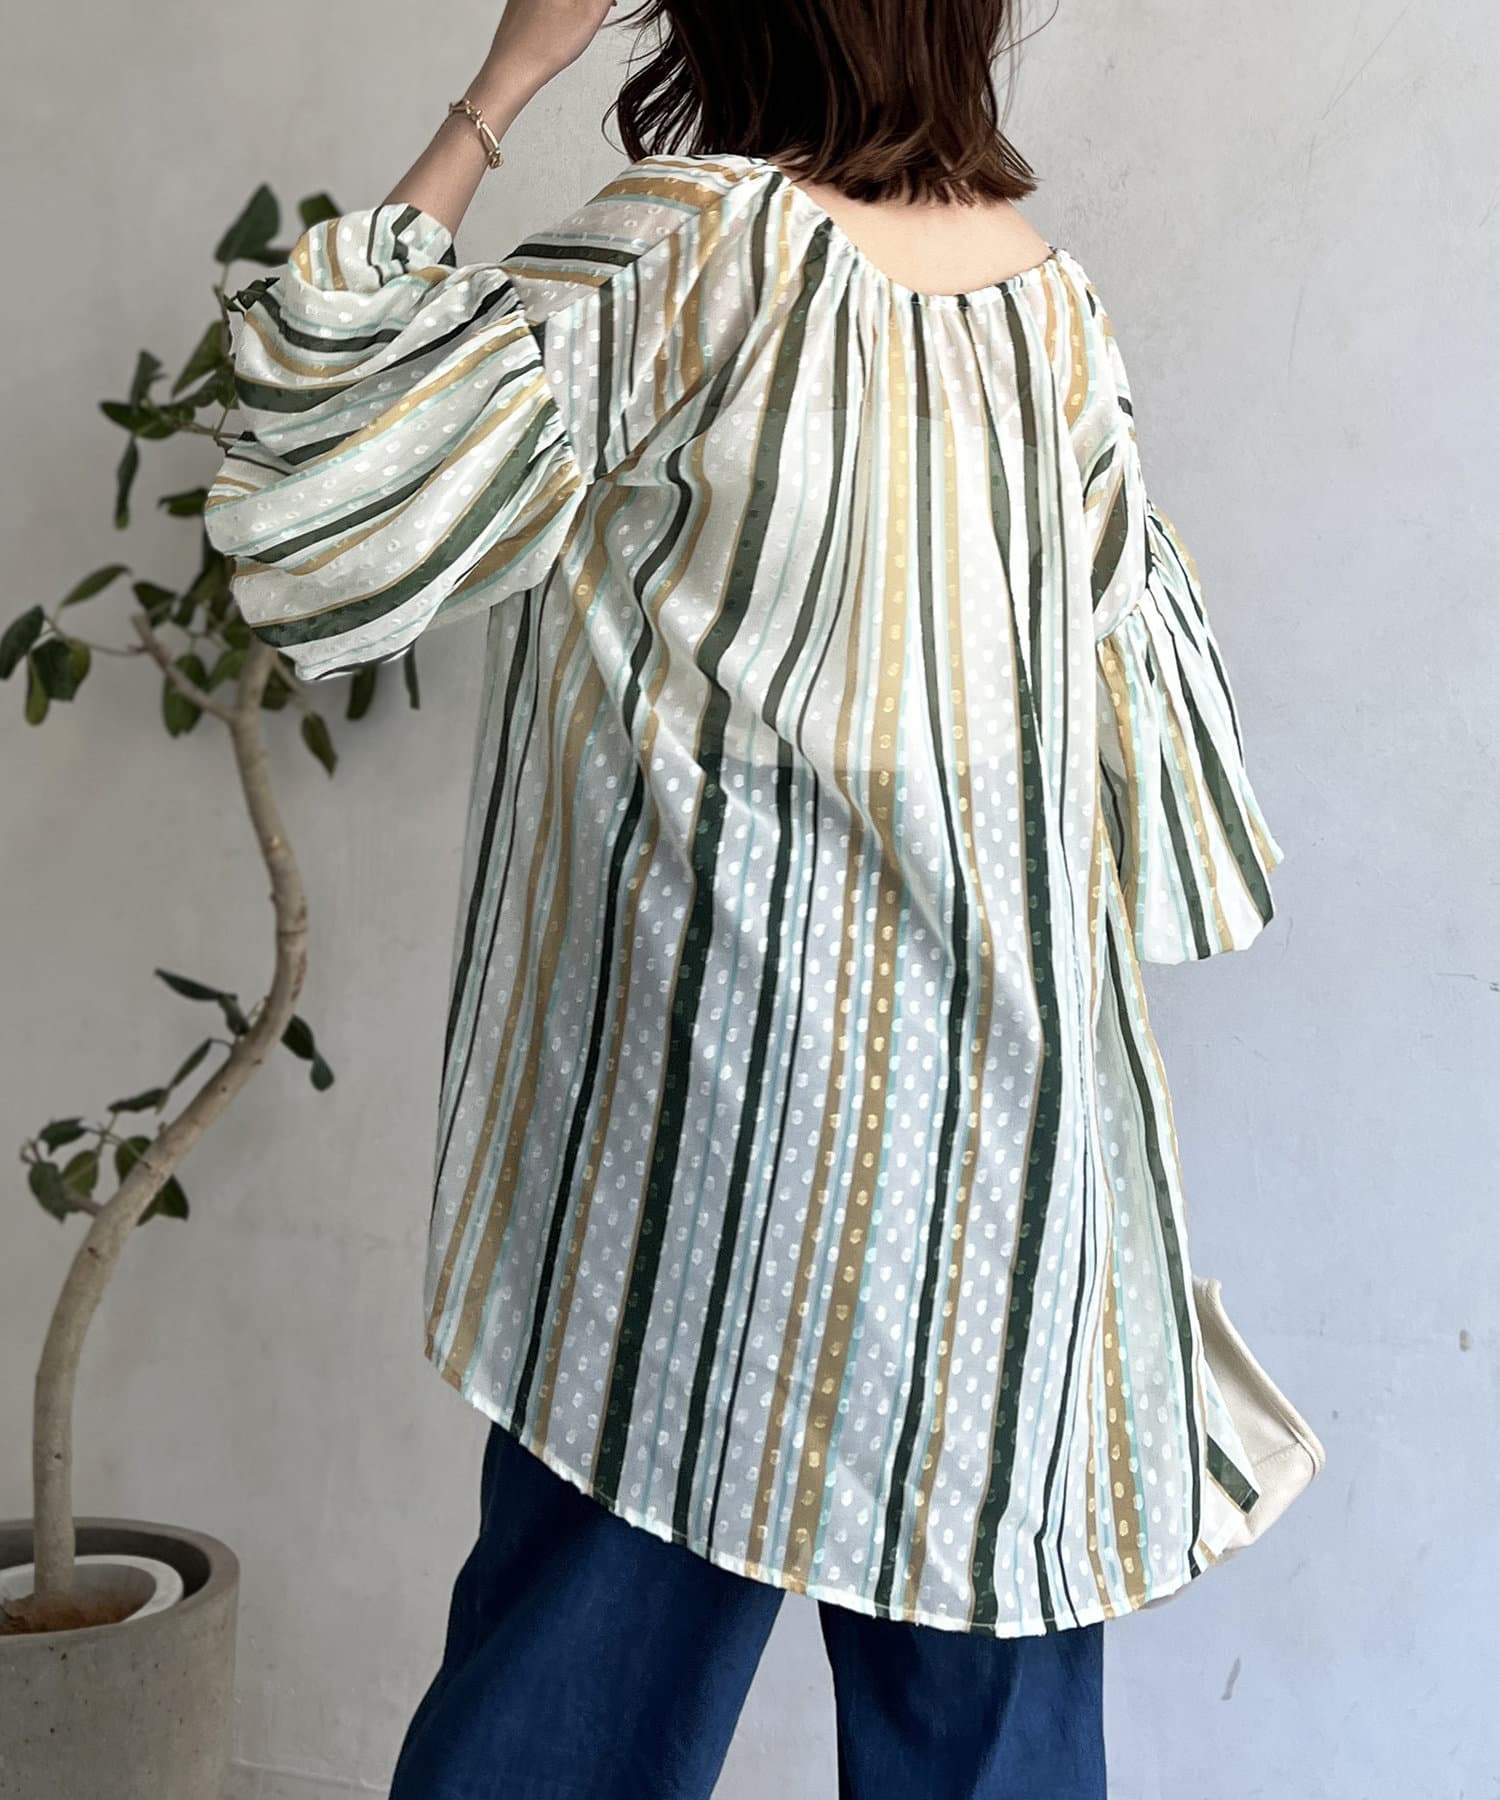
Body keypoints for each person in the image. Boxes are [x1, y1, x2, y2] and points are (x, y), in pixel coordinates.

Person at [205, 1, 1287, 1793]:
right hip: (1004, 1182)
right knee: (987, 1738)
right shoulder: (1051, 308)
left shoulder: (689, 251)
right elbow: (1135, 752)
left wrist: (501, 84)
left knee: (563, 1727)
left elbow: (325, 466)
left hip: (708, 1177)